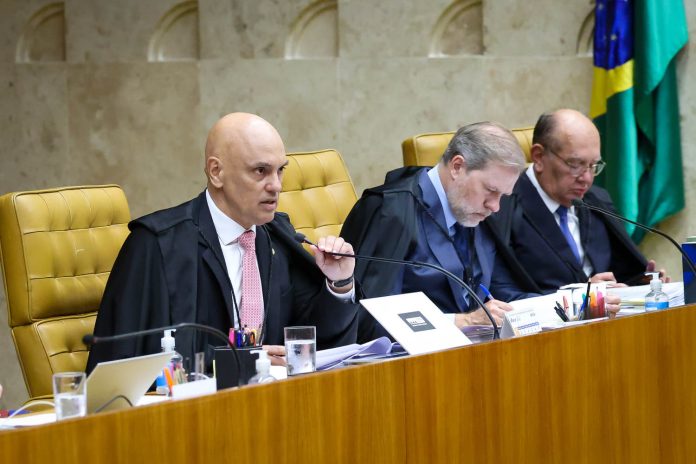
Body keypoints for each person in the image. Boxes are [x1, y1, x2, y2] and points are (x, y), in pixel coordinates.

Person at [86, 113, 359, 373]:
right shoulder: (157, 245)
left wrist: (339, 284)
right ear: (216, 172)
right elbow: (130, 361)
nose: (276, 185)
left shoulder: (276, 237)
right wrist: (241, 360)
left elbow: (313, 343)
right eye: (260, 171)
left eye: (280, 171)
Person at [341, 122, 534, 342]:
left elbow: (501, 289)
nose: (495, 206)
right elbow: (369, 320)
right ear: (457, 167)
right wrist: (462, 322)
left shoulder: (476, 210)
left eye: (503, 195)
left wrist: (551, 306)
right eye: (490, 190)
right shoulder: (390, 211)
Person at [488, 109, 666, 302]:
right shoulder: (500, 208)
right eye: (575, 165)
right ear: (538, 157)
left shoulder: (596, 200)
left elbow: (621, 273)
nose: (587, 178)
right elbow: (503, 297)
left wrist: (643, 283)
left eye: (593, 166)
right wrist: (580, 297)